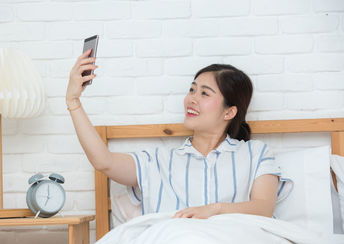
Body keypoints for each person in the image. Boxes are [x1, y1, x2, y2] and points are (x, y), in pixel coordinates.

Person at [65, 49, 292, 220]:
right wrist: (73, 101)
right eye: (192, 89)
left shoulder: (255, 153)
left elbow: (263, 208)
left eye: (204, 93)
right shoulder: (158, 160)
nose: (192, 98)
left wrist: (214, 209)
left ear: (229, 112)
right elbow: (104, 162)